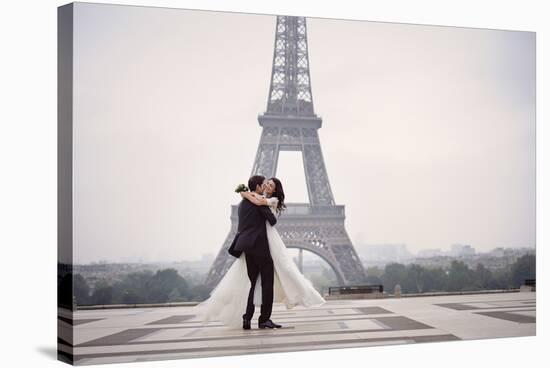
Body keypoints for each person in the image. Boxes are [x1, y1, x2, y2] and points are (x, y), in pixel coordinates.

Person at [192, 176, 326, 329]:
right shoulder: (259, 203)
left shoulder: (243, 203)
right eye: (263, 184)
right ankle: (264, 320)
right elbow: (272, 220)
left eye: (268, 184)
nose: (265, 186)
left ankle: (246, 318)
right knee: (266, 284)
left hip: (247, 248)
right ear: (257, 187)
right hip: (260, 247)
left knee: (252, 283)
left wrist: (246, 193)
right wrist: (259, 200)